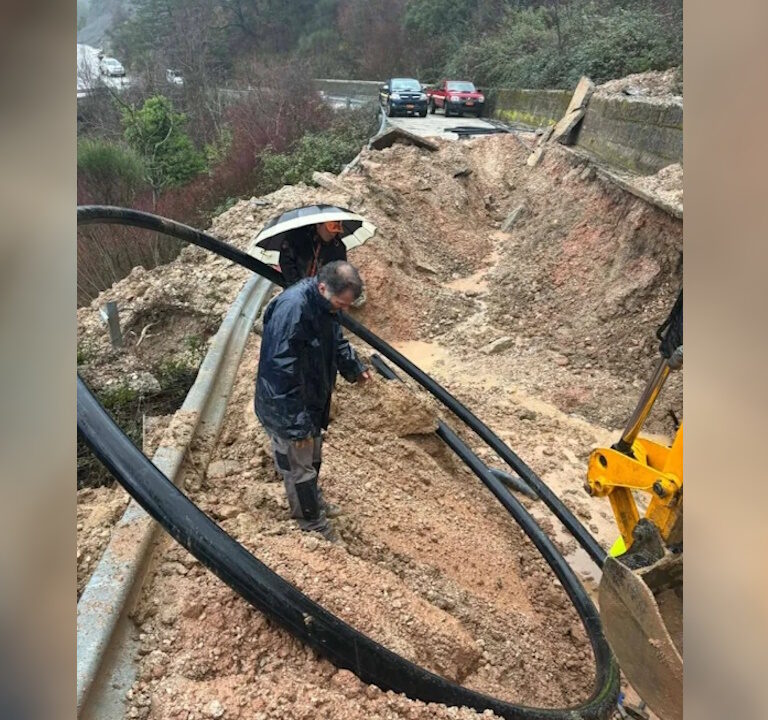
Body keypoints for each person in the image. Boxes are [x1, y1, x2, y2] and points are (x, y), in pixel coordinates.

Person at [254, 261, 371, 541]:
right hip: (286, 406)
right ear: (322, 288)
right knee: (300, 467)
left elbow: (335, 340)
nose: (343, 310)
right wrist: (296, 426)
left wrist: (353, 367)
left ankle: (313, 502)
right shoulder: (293, 310)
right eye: (340, 303)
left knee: (312, 458)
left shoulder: (325, 307)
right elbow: (279, 370)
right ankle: (312, 525)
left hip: (310, 397)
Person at [279, 221, 347, 286]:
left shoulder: (338, 247)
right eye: (331, 227)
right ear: (318, 225)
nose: (333, 234)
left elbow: (339, 273)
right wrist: (298, 285)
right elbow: (286, 262)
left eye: (338, 228)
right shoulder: (296, 238)